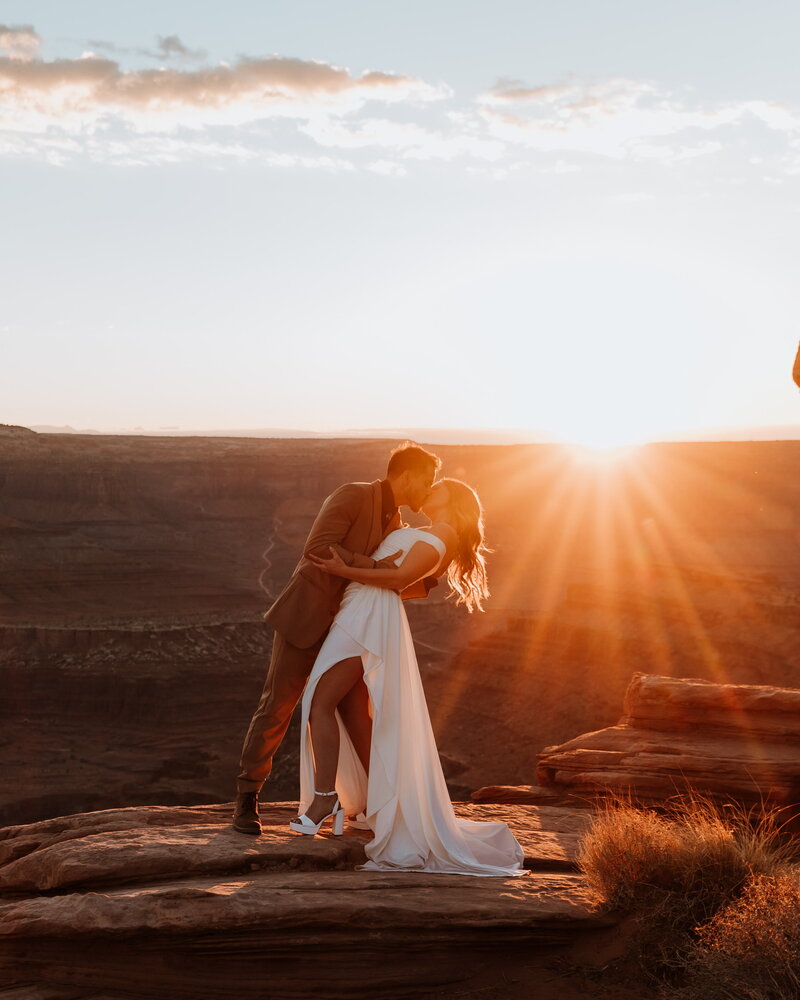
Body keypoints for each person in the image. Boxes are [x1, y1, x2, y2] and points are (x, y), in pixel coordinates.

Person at [291, 478, 527, 877]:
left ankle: (325, 799)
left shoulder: (443, 534)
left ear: (451, 499)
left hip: (368, 618)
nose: (427, 490)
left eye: (436, 488)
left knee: (320, 701)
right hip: (360, 610)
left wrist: (342, 568)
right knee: (353, 711)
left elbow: (400, 581)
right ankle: (369, 804)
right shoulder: (424, 531)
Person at [233, 442, 441, 835]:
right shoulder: (354, 494)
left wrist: (427, 564)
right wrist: (375, 567)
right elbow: (318, 550)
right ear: (406, 474)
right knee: (278, 707)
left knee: (358, 716)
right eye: (426, 481)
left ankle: (373, 805)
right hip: (307, 619)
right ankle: (247, 798)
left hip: (350, 628)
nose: (427, 490)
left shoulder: (396, 521)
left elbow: (400, 581)